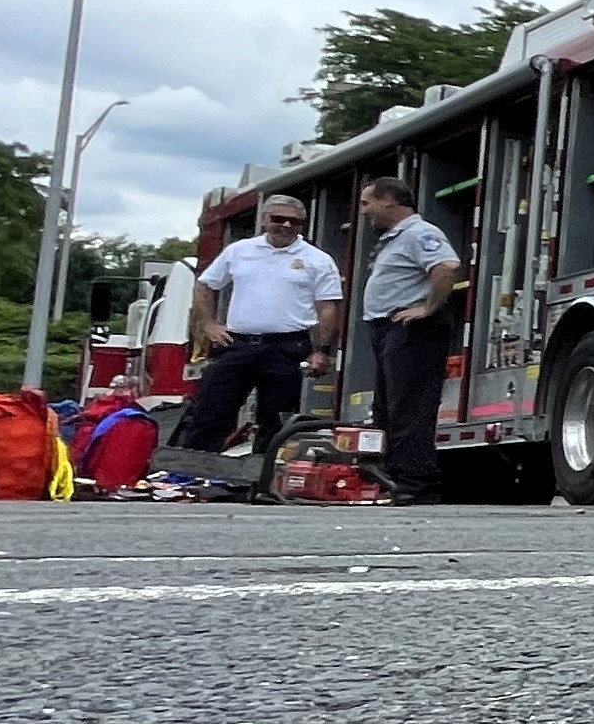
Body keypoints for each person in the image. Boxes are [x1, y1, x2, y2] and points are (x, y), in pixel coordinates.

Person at [177, 194, 347, 461]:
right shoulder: (239, 251)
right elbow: (205, 284)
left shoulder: (318, 259)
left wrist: (321, 350)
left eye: (295, 222)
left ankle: (262, 476)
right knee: (210, 411)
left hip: (288, 346)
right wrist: (209, 324)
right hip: (237, 343)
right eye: (279, 219)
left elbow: (328, 308)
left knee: (276, 421)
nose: (286, 226)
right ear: (265, 221)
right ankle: (193, 470)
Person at [352, 178, 465, 504]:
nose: (363, 211)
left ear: (389, 200)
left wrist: (428, 308)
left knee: (410, 410)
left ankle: (416, 484)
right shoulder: (395, 238)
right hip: (390, 330)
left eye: (367, 203)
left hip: (414, 332)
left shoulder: (420, 233)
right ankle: (396, 480)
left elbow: (446, 267)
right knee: (389, 410)